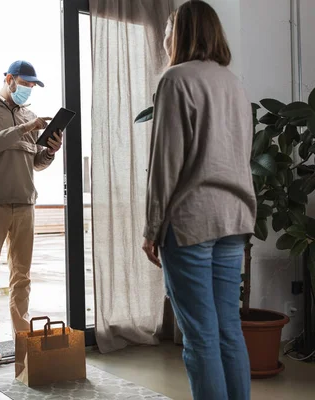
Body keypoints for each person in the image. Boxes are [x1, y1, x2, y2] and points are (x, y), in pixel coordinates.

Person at [142, 2, 255, 400]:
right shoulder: (235, 84)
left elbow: (165, 165)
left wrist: (152, 228)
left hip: (191, 222)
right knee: (228, 329)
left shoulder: (175, 80)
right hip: (234, 219)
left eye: (170, 28)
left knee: (200, 336)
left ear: (183, 32)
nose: (166, 36)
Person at [0, 60, 63, 362]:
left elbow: (36, 162)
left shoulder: (30, 115)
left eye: (33, 86)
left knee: (21, 277)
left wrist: (49, 150)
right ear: (9, 79)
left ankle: (23, 339)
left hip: (25, 203)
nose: (29, 89)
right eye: (26, 83)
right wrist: (25, 128)